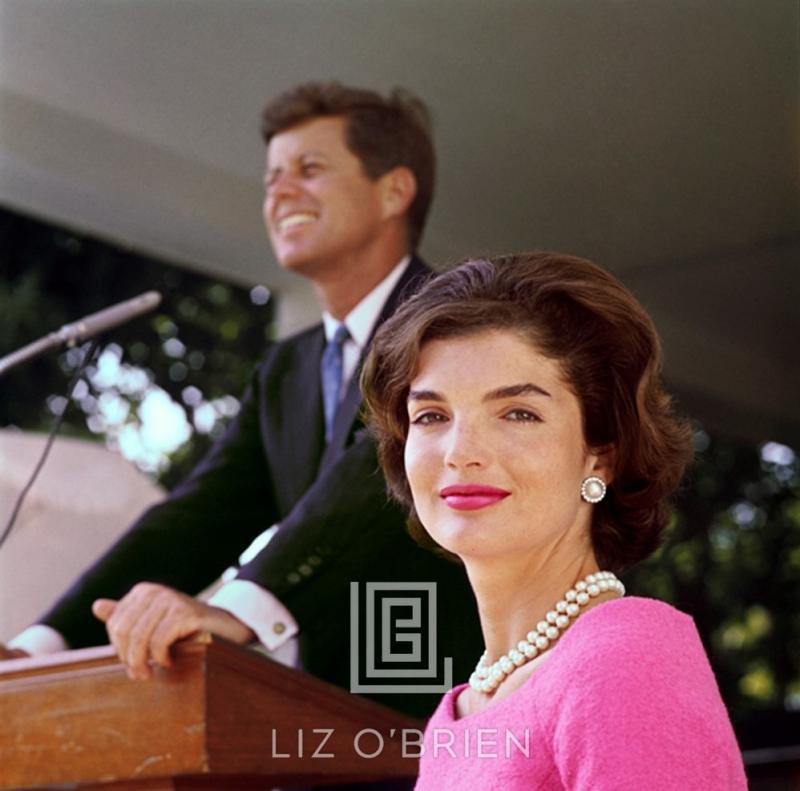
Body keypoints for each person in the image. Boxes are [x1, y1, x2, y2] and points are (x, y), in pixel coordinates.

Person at [1, 81, 483, 723]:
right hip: (313, 721)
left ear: (394, 190)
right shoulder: (289, 366)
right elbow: (199, 515)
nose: (280, 192)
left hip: (441, 704)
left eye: (309, 170)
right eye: (271, 179)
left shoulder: (458, 321)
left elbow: (375, 472)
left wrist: (238, 607)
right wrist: (39, 646)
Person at [362, 252, 748, 789]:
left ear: (600, 455)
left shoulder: (626, 657)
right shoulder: (457, 718)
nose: (460, 451)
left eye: (518, 413)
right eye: (431, 416)